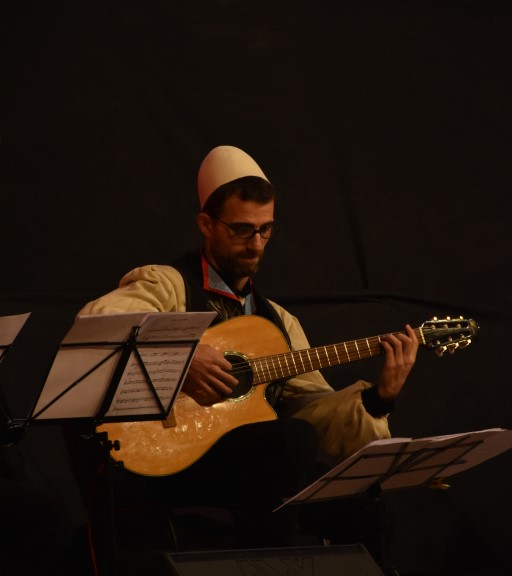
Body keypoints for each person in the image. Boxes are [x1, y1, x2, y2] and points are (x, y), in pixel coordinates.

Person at [77, 145, 419, 551]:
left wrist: (380, 399)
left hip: (254, 465)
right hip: (169, 459)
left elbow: (313, 409)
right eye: (242, 230)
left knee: (366, 512)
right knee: (289, 441)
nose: (256, 244)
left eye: (265, 229)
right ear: (206, 224)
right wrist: (181, 355)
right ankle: (271, 571)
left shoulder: (279, 321)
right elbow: (98, 321)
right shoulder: (169, 284)